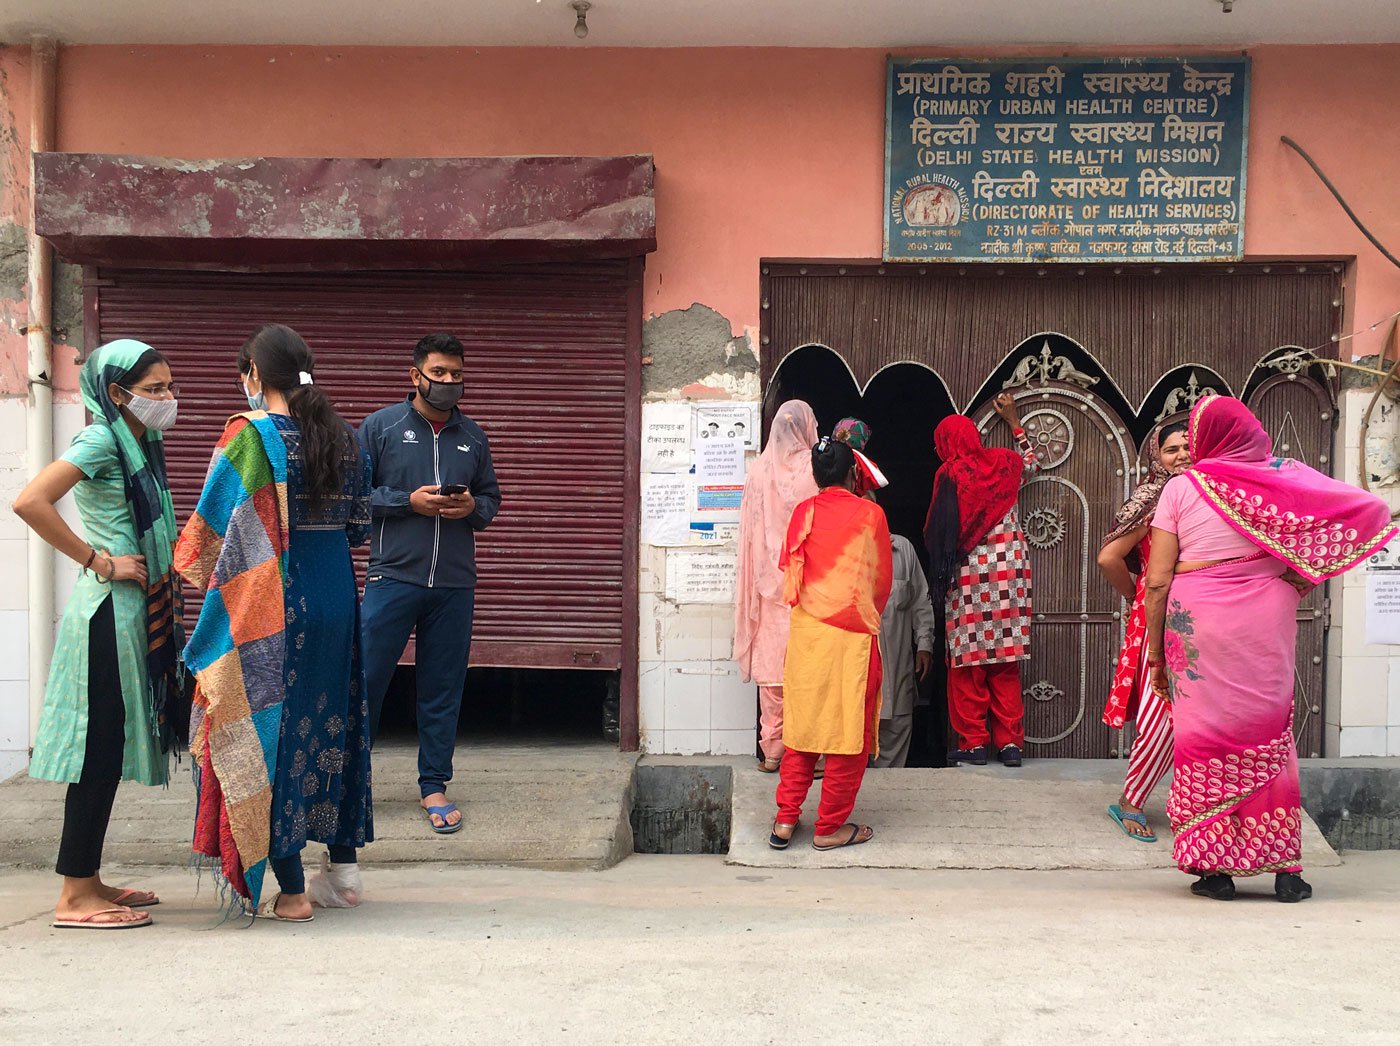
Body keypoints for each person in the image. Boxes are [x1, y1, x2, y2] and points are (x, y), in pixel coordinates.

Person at [1144, 395, 1394, 902]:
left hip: (1198, 624)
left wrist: (1153, 654)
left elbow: (1156, 580)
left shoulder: (1181, 488)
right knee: (1270, 733)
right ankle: (1285, 873)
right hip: (1265, 617)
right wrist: (1293, 581)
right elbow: (1368, 509)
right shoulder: (1281, 476)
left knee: (1204, 737)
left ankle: (1216, 873)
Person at [176, 323, 373, 921]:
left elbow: (211, 534)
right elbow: (360, 529)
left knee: (272, 728)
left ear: (256, 377)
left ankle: (291, 892)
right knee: (334, 722)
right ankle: (343, 874)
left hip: (277, 601)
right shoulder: (343, 437)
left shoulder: (252, 436)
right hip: (337, 592)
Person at [13, 340, 182, 929]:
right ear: (116, 393)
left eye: (168, 385)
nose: (168, 399)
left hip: (136, 614)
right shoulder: (102, 438)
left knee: (107, 753)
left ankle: (89, 879)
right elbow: (30, 501)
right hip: (109, 612)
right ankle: (74, 895)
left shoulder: (141, 441)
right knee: (96, 752)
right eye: (155, 389)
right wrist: (99, 559)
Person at [357, 333, 501, 833]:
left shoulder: (473, 436)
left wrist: (471, 509)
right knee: (366, 680)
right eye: (438, 373)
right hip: (392, 577)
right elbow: (351, 498)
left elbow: (490, 499)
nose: (448, 383)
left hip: (455, 584)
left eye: (456, 375)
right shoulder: (380, 428)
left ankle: (434, 785)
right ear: (414, 375)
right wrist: (406, 502)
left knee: (442, 688)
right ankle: (353, 781)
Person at [769, 438, 892, 851]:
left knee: (802, 729)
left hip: (806, 637)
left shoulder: (803, 512)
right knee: (847, 736)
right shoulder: (870, 514)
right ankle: (829, 828)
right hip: (851, 640)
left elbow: (791, 574)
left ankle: (785, 821)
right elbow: (880, 584)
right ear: (852, 474)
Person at [924, 392, 1039, 768]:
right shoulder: (1006, 463)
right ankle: (1011, 746)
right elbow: (1033, 464)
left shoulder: (949, 474)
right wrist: (1015, 423)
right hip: (1010, 576)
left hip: (970, 580)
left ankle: (974, 743)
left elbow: (937, 531)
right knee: (1005, 661)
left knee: (967, 663)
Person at [1098, 422, 1190, 842]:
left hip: (1203, 615)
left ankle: (1195, 802)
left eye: (1189, 446)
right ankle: (1131, 801)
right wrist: (1139, 593)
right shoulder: (1152, 499)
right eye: (1172, 449)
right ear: (1157, 456)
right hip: (1158, 615)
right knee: (1162, 712)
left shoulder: (1211, 496)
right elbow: (1109, 558)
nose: (1183, 455)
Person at [734, 399, 819, 773]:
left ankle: (773, 753)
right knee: (809, 675)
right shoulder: (815, 470)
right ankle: (809, 757)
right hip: (807, 587)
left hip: (768, 587)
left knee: (773, 675)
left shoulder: (757, 472)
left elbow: (750, 535)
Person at [872, 533, 936, 768]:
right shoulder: (839, 550)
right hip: (855, 673)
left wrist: (924, 644)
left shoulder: (902, 548)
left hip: (897, 667)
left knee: (896, 725)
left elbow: (920, 600)